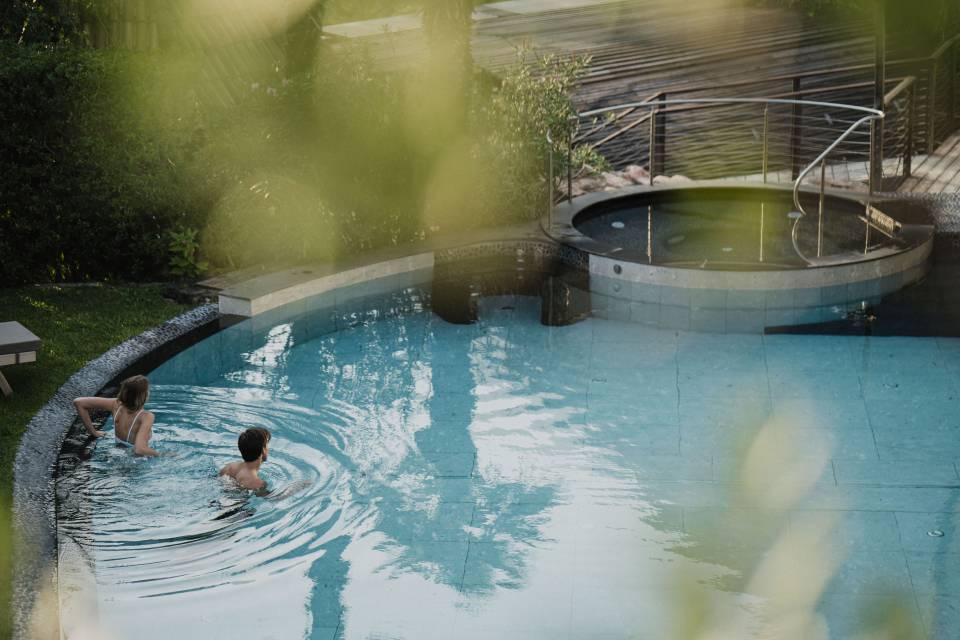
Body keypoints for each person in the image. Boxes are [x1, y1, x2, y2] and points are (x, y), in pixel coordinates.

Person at [73, 375, 159, 457]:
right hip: (136, 458)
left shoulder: (116, 404)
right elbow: (140, 449)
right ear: (143, 395)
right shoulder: (146, 416)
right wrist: (164, 454)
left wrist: (93, 432)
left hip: (118, 450)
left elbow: (79, 402)